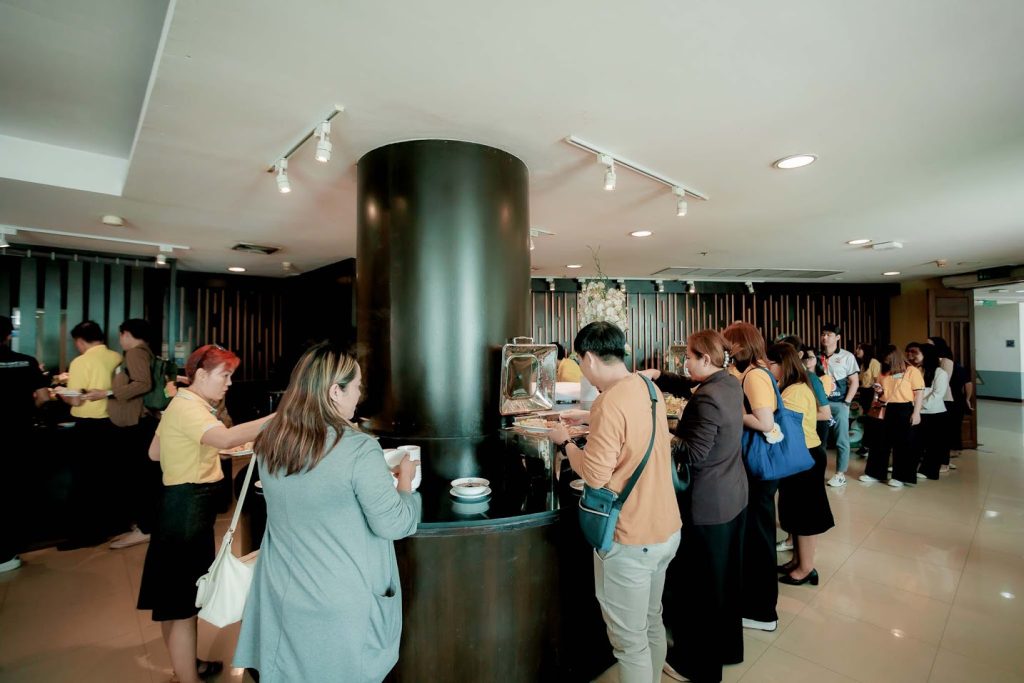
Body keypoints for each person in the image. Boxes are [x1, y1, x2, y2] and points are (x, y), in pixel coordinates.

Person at [234, 343, 421, 682]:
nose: (359, 394)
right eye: (357, 385)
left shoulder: (271, 436)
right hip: (338, 599)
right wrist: (405, 480)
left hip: (280, 590)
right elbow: (394, 523)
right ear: (336, 391)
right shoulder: (359, 448)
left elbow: (316, 488)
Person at [547, 321, 681, 683]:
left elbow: (594, 475)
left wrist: (565, 442)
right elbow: (635, 431)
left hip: (632, 537)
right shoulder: (647, 387)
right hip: (667, 528)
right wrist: (589, 416)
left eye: (580, 361)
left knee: (629, 643)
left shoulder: (609, 401)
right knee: (651, 621)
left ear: (589, 358)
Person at [137, 344, 273, 683]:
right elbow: (225, 438)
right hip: (188, 510)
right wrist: (279, 418)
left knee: (173, 601)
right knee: (184, 604)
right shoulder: (191, 407)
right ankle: (189, 678)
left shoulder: (179, 404)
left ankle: (186, 666)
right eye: (224, 375)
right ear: (200, 374)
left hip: (173, 506)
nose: (229, 383)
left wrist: (202, 450)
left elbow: (155, 452)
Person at [644, 330, 746, 683]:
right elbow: (689, 385)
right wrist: (659, 376)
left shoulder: (708, 398)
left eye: (688, 357)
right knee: (725, 583)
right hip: (733, 495)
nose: (685, 362)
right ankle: (728, 649)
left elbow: (693, 452)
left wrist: (659, 433)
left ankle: (698, 666)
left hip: (708, 504)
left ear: (705, 358)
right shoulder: (728, 383)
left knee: (702, 589)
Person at [721, 321, 779, 633]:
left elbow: (765, 422)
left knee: (759, 538)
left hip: (759, 467)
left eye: (727, 343)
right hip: (755, 467)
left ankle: (763, 612)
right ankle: (756, 605)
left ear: (740, 345)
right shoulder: (750, 372)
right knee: (755, 536)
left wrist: (730, 413)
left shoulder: (756, 375)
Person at [767, 343, 834, 586]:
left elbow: (781, 425)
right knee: (795, 512)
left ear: (782, 364)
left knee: (805, 516)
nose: (767, 368)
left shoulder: (794, 390)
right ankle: (798, 560)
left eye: (770, 364)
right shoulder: (791, 386)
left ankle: (806, 568)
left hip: (805, 457)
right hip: (799, 456)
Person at [57, 320, 123, 549]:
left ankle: (85, 534)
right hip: (113, 424)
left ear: (79, 341)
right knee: (107, 478)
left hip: (88, 427)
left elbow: (75, 400)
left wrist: (61, 391)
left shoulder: (81, 362)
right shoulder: (117, 357)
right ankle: (109, 527)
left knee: (84, 481)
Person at [0, 315, 50, 573]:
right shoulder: (26, 361)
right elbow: (43, 397)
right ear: (9, 335)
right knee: (14, 491)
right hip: (19, 434)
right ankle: (8, 550)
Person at [106, 319, 161, 549]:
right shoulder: (145, 352)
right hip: (142, 421)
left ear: (126, 334)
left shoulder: (135, 353)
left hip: (137, 423)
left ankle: (145, 528)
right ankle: (144, 526)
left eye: (121, 335)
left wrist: (113, 392)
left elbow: (142, 383)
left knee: (140, 477)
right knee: (143, 476)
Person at [860, 347, 923, 487]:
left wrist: (916, 413)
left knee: (902, 444)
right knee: (879, 442)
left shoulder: (911, 371)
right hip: (883, 407)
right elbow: (882, 392)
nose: (885, 362)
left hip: (903, 408)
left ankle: (900, 477)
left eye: (888, 359)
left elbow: (919, 393)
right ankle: (875, 473)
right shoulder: (883, 372)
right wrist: (879, 391)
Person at [819, 323, 860, 488]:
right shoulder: (816, 356)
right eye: (823, 334)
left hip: (839, 403)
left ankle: (840, 474)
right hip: (820, 404)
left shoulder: (847, 356)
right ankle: (816, 472)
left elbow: (854, 381)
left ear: (838, 337)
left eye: (829, 334)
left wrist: (847, 403)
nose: (825, 337)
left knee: (841, 440)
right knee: (818, 440)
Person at [927, 336, 970, 464]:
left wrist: (968, 398)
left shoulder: (946, 362)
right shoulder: (932, 362)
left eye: (930, 344)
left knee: (949, 429)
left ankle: (948, 457)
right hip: (939, 398)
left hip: (948, 398)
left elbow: (967, 383)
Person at [917, 344, 950, 480]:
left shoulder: (940, 373)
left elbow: (937, 394)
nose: (915, 357)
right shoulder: (918, 371)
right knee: (918, 442)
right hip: (919, 412)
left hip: (935, 413)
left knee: (934, 445)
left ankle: (929, 471)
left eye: (918, 354)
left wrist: (919, 405)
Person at [854, 343, 881, 455]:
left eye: (859, 348)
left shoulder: (874, 362)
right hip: (864, 393)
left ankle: (868, 447)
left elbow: (877, 382)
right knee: (867, 421)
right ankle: (866, 446)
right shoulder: (863, 364)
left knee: (872, 422)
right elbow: (861, 381)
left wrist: (875, 399)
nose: (857, 350)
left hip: (872, 394)